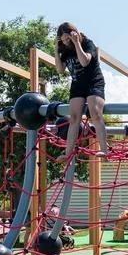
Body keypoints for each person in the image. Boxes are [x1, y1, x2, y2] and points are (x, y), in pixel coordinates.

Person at [54, 22, 108, 162]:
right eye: (63, 40)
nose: (67, 42)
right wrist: (56, 49)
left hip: (93, 82)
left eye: (68, 38)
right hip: (77, 84)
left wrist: (76, 42)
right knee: (73, 118)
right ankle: (67, 153)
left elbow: (84, 62)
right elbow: (60, 70)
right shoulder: (65, 50)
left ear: (75, 33)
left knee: (95, 113)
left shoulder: (87, 44)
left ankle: (104, 150)